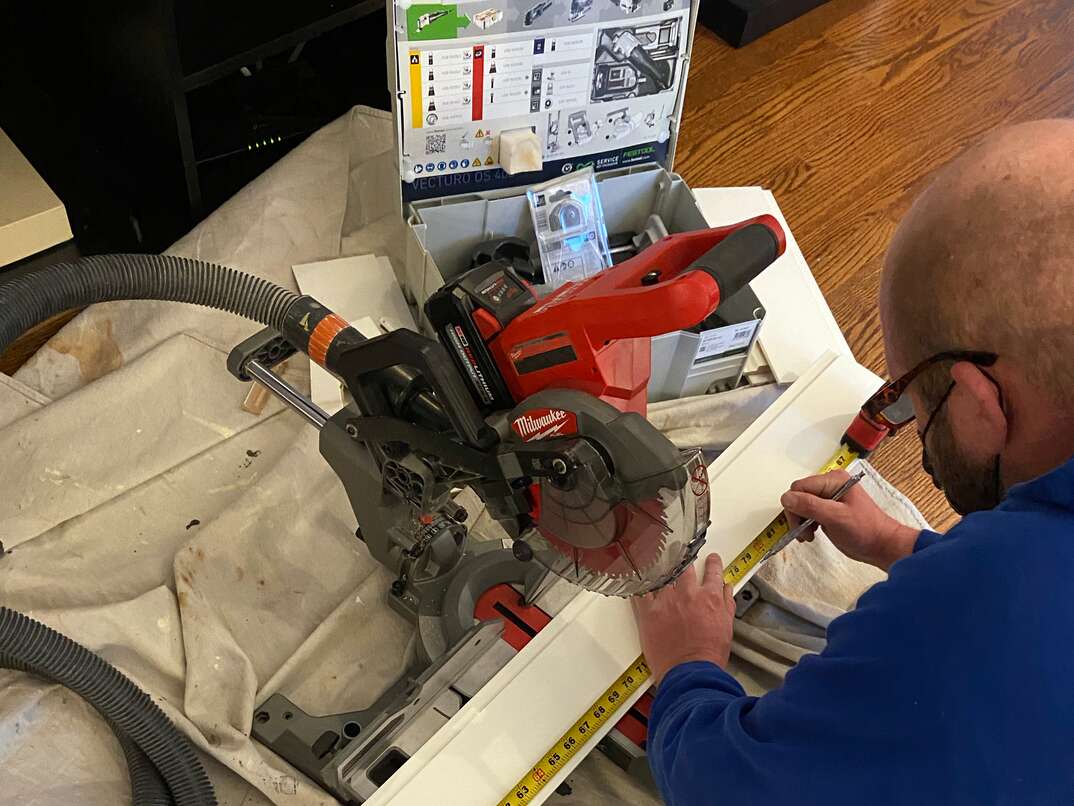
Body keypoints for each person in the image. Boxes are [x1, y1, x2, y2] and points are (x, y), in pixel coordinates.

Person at [633, 119, 1074, 804]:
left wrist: (687, 667)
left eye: (911, 403)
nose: (912, 430)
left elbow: (721, 787)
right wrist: (911, 549)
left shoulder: (986, 616)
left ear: (981, 402)